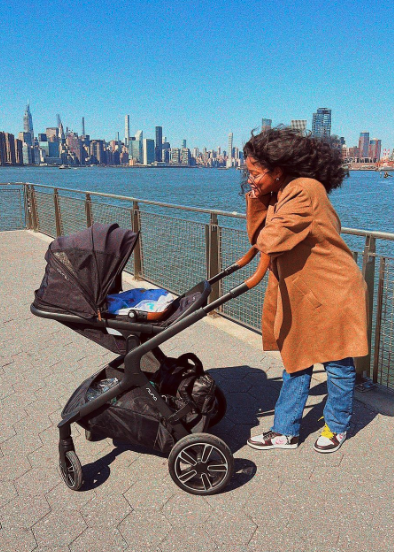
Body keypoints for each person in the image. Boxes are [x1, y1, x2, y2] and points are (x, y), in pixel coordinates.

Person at [243, 127, 369, 454]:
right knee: (296, 359)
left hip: (331, 291)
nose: (251, 179)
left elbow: (275, 236)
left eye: (255, 174)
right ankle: (286, 431)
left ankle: (337, 425)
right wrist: (258, 200)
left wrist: (254, 273)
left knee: (336, 363)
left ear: (278, 170)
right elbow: (260, 236)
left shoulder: (304, 190)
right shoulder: (282, 193)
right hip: (305, 292)